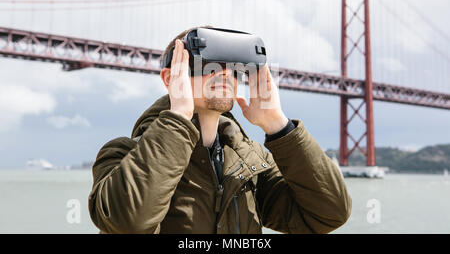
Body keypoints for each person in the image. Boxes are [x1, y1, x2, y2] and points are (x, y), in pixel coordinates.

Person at [88, 27, 352, 234]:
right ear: (171, 79)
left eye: (234, 66)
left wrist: (278, 126)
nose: (224, 74)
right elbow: (128, 223)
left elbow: (329, 214)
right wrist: (178, 113)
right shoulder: (122, 155)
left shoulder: (250, 165)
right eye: (209, 62)